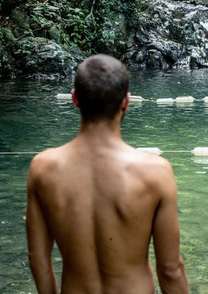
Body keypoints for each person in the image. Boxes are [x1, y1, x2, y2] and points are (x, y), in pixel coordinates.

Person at [26, 54, 189, 294]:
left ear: (74, 99)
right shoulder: (155, 172)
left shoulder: (43, 168)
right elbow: (170, 270)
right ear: (126, 101)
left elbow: (39, 260)